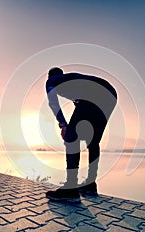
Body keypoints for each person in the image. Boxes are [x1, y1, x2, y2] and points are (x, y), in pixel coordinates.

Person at [45, 67, 117, 203]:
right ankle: (90, 184)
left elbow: (53, 103)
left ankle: (71, 188)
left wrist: (64, 125)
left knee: (71, 137)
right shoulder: (73, 81)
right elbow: (81, 108)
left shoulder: (53, 80)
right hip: (110, 94)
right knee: (93, 142)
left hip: (94, 94)